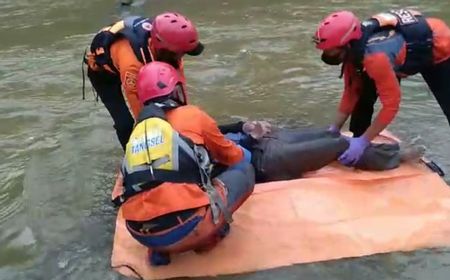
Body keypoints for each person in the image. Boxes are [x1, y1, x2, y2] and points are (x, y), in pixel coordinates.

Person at [115, 62, 255, 266]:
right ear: (176, 90)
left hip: (140, 233)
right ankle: (208, 238)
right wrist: (248, 147)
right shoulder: (192, 114)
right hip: (190, 229)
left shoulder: (138, 133)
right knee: (244, 171)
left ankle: (159, 251)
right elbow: (234, 157)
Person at [313, 9, 450, 166]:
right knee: (363, 98)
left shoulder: (375, 58)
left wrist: (363, 141)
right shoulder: (353, 51)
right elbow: (352, 92)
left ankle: (364, 145)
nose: (327, 55)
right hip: (397, 53)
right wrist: (334, 129)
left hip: (439, 47)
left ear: (347, 45)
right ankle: (362, 151)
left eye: (330, 51)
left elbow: (391, 106)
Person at [84, 11, 204, 149]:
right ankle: (129, 157)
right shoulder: (133, 64)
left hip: (131, 60)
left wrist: (185, 121)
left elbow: (179, 89)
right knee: (125, 123)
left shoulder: (171, 48)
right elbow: (142, 115)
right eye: (180, 53)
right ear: (166, 50)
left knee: (172, 109)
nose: (182, 56)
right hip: (104, 74)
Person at [220, 122, 425, 183]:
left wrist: (243, 125)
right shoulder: (189, 152)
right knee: (338, 146)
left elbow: (219, 129)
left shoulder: (188, 120)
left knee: (330, 134)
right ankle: (395, 156)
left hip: (262, 143)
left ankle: (377, 151)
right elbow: (223, 159)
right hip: (263, 161)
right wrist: (249, 138)